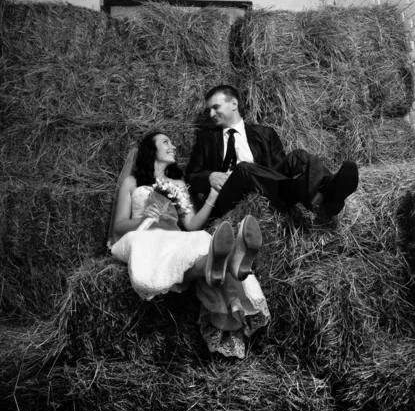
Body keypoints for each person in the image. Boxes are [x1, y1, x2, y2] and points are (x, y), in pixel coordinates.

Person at [109, 130, 270, 359]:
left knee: (201, 239)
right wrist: (144, 219)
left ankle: (225, 263)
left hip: (174, 237)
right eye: (166, 142)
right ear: (151, 150)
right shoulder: (132, 182)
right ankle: (232, 262)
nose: (173, 146)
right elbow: (118, 227)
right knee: (173, 249)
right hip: (142, 235)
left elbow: (192, 224)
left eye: (172, 142)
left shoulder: (177, 184)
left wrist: (212, 197)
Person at [185, 85, 359, 218]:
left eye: (215, 107)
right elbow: (190, 176)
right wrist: (209, 177)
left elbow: (280, 171)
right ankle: (314, 193)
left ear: (233, 104)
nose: (211, 113)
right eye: (209, 109)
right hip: (228, 197)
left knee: (297, 156)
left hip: (263, 189)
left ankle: (330, 190)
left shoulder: (264, 133)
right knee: (244, 168)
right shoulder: (206, 139)